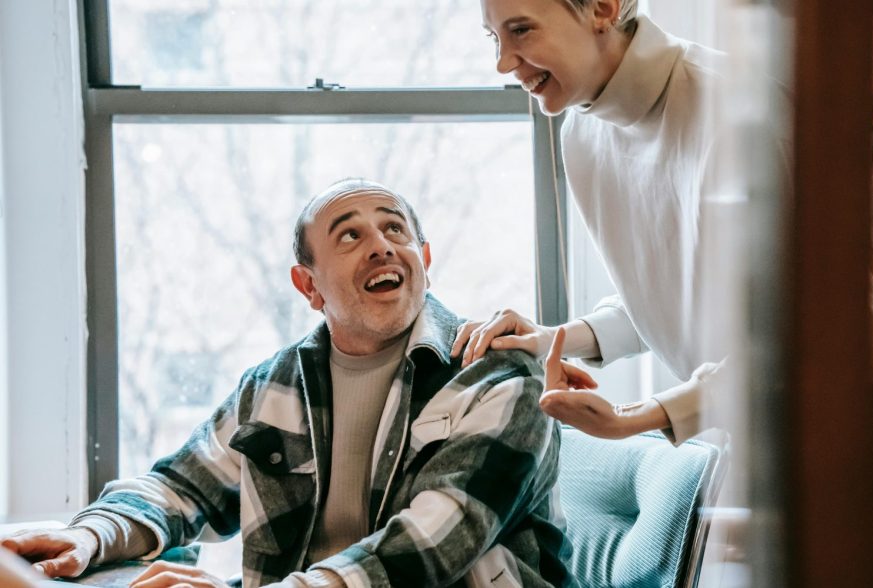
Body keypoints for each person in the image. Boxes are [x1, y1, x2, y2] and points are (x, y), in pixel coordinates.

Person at [468, 1, 873, 586]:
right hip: (760, 422)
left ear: (602, 7)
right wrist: (554, 338)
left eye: (520, 30)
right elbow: (666, 292)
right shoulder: (581, 136)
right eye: (493, 38)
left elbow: (796, 329)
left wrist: (639, 418)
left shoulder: (732, 106)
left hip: (871, 417)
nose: (503, 63)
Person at [0, 179, 574, 588]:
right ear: (309, 287)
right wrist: (93, 534)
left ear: (423, 258)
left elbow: (426, 550)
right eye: (348, 236)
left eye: (395, 229)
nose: (381, 245)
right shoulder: (274, 384)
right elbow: (181, 486)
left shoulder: (500, 374)